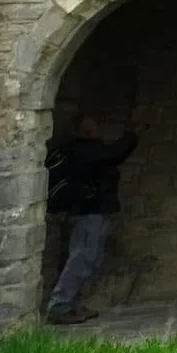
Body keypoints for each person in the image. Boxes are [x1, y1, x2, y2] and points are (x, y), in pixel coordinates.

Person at [43, 115, 140, 325]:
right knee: (82, 258)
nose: (99, 129)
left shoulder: (85, 150)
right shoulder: (84, 150)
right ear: (86, 131)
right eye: (95, 126)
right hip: (88, 212)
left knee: (90, 259)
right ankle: (60, 306)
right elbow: (114, 154)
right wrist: (131, 135)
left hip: (93, 211)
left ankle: (72, 303)